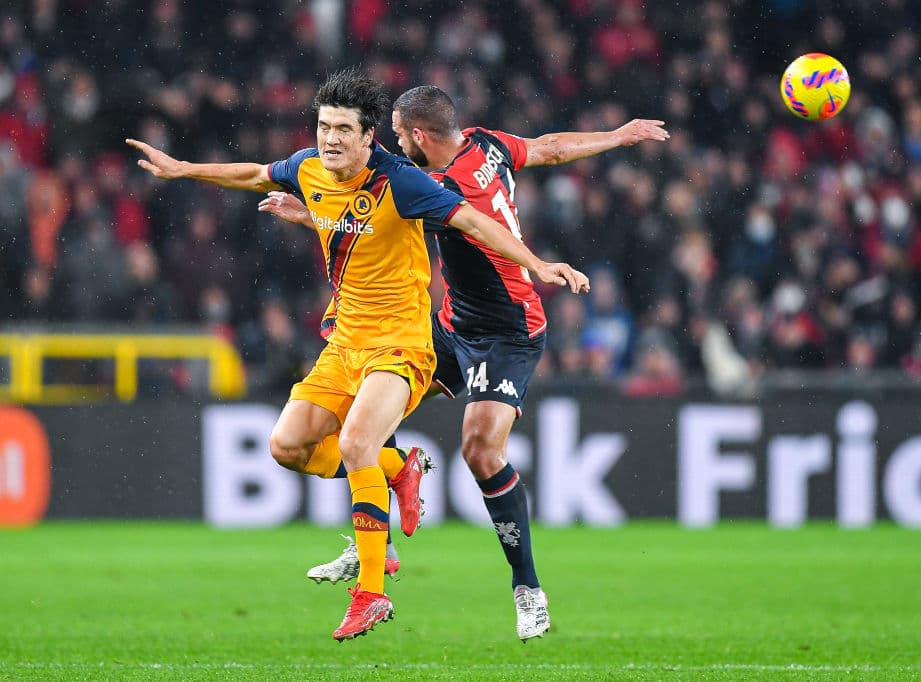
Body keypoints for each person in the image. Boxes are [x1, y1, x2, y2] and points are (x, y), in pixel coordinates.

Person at [126, 68, 589, 642]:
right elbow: (252, 173)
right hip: (351, 339)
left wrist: (539, 266)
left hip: (412, 338)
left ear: (372, 137)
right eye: (324, 127)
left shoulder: (403, 180)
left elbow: (471, 218)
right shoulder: (309, 169)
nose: (331, 139)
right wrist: (182, 169)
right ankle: (399, 472)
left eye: (345, 129)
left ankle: (380, 588)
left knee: (375, 442)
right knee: (287, 447)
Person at [260, 84, 667, 640]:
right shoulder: (487, 143)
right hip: (452, 326)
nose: (395, 146)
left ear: (420, 136)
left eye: (400, 137)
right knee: (358, 422)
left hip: (509, 331)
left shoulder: (433, 187)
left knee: (479, 450)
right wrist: (618, 136)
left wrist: (309, 216)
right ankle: (380, 518)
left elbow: (382, 224)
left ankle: (527, 588)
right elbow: (549, 148)